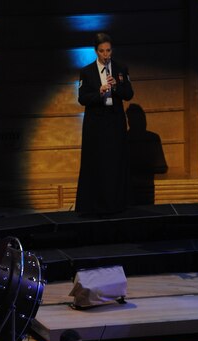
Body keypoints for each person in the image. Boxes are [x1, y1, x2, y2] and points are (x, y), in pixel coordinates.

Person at [75, 32, 134, 216]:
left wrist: (115, 86)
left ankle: (115, 204)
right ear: (96, 51)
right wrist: (99, 92)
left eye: (108, 50)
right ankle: (93, 205)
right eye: (102, 51)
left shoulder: (121, 68)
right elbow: (82, 98)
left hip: (115, 121)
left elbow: (129, 94)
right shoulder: (86, 71)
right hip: (95, 122)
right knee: (96, 162)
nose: (106, 55)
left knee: (114, 162)